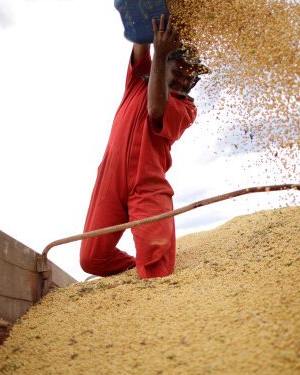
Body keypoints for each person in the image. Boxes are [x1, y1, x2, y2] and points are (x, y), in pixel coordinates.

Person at [79, 14, 208, 279]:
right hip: (109, 179)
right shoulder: (139, 80)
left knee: (157, 272)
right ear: (164, 65)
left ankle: (149, 275)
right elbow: (140, 41)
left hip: (147, 185)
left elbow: (156, 109)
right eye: (180, 71)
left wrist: (161, 55)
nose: (184, 80)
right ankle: (135, 269)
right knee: (92, 259)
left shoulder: (186, 108)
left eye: (190, 76)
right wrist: (149, 20)